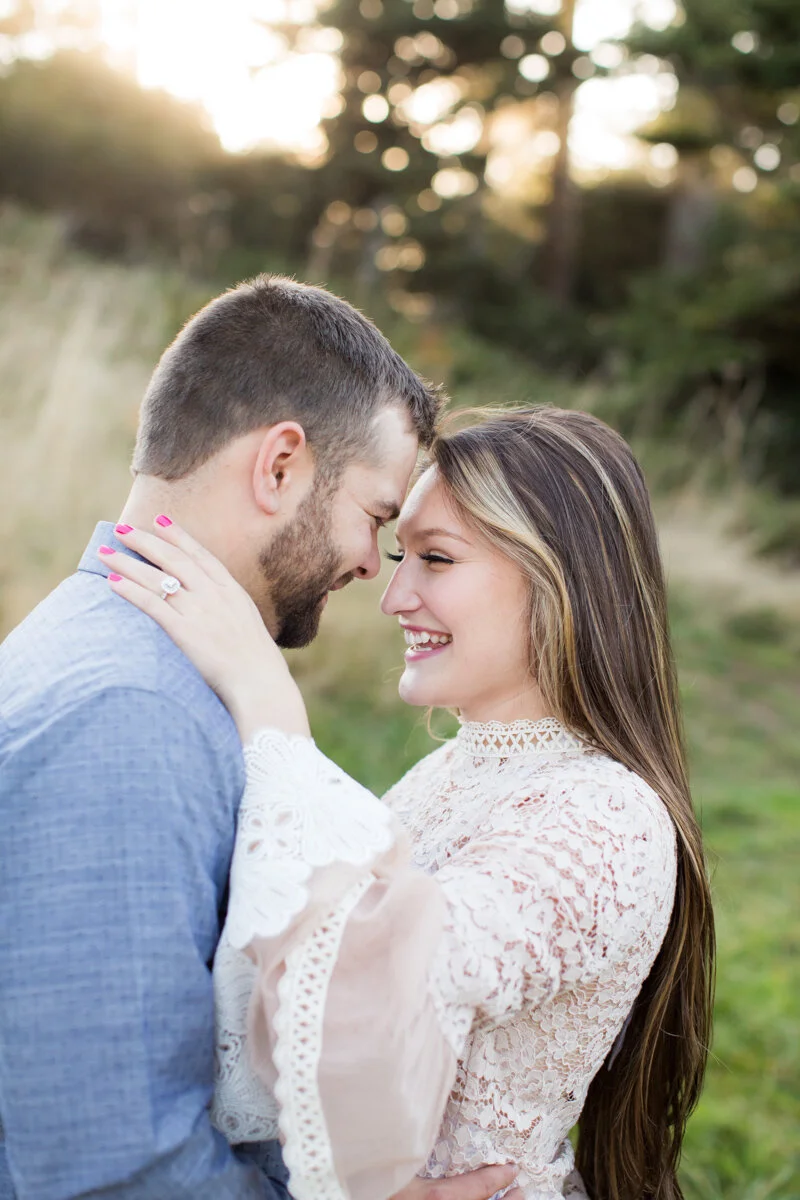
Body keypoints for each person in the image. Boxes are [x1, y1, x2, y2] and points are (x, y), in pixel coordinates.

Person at [103, 406, 716, 1200]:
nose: (394, 597)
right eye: (400, 554)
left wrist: (270, 708)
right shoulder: (448, 772)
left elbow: (387, 980)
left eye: (436, 558)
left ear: (558, 581)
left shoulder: (609, 817)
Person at [0, 274, 514, 1200]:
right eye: (375, 516)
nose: (372, 563)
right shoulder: (127, 715)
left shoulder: (136, 664)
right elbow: (107, 1170)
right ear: (280, 465)